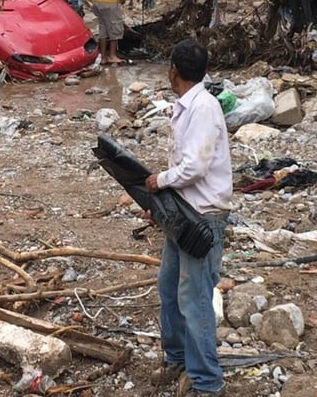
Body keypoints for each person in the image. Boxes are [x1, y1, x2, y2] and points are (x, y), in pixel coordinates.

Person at [144, 39, 232, 397]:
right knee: (169, 288)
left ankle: (208, 383)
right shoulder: (190, 105)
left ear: (173, 71)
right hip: (184, 212)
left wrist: (159, 181)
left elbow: (194, 167)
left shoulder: (203, 108)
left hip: (203, 216)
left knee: (195, 298)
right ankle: (178, 358)